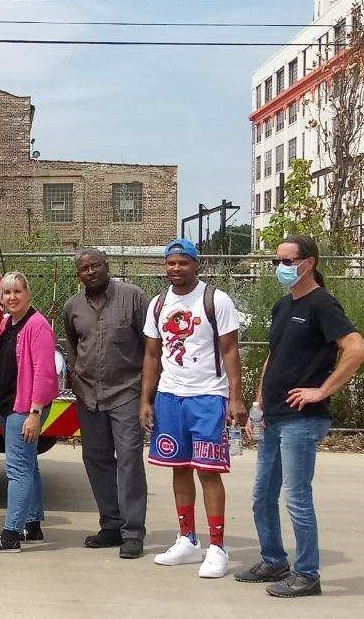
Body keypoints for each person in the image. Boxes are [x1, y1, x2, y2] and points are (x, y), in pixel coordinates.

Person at [235, 235, 364, 598]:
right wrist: (258, 404)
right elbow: (273, 357)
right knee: (262, 494)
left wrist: (322, 390)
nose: (279, 268)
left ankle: (307, 574)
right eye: (276, 261)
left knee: (296, 496)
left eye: (286, 261)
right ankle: (274, 560)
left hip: (302, 419)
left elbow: (356, 349)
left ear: (308, 263)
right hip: (274, 417)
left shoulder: (322, 304)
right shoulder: (282, 306)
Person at [139, 238, 245, 579]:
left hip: (208, 397)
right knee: (179, 467)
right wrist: (146, 399)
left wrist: (235, 396)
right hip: (170, 397)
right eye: (170, 262)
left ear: (195, 264)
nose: (176, 268)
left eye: (183, 262)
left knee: (208, 471)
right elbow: (152, 355)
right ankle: (187, 538)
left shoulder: (215, 299)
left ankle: (217, 545)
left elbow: (230, 351)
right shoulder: (158, 304)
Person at [63, 248, 150, 559]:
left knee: (128, 460)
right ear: (79, 275)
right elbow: (74, 346)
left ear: (106, 266)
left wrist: (148, 393)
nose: (91, 272)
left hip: (126, 392)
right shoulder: (72, 306)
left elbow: (150, 346)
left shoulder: (133, 297)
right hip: (88, 395)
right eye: (84, 269)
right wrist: (77, 378)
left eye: (95, 265)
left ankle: (132, 532)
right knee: (96, 459)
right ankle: (110, 525)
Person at [0, 272, 59, 553]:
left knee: (17, 470)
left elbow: (44, 374)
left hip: (25, 408)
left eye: (17, 292)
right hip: (10, 404)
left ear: (28, 294)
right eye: (6, 293)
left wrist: (35, 412)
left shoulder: (37, 326)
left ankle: (11, 534)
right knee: (29, 466)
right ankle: (32, 524)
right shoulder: (8, 323)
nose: (11, 298)